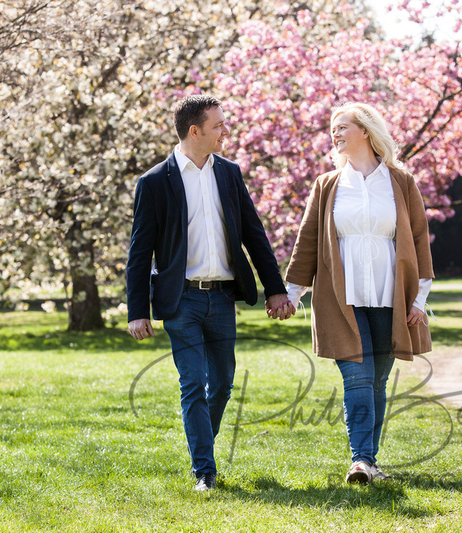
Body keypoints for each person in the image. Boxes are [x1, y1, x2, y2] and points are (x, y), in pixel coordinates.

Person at [126, 95, 295, 492]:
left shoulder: (230, 174)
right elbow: (139, 252)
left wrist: (275, 289)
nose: (226, 131)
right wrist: (138, 310)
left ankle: (202, 446)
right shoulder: (154, 182)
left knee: (221, 383)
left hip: (222, 297)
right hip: (180, 300)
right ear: (195, 131)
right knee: (192, 381)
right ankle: (205, 470)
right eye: (219, 125)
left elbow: (255, 234)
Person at [284, 102, 434, 484]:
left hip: (390, 298)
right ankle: (361, 460)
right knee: (357, 378)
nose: (335, 134)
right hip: (341, 300)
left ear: (365, 131)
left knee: (377, 381)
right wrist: (291, 293)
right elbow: (307, 244)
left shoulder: (401, 182)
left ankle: (370, 461)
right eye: (332, 129)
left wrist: (419, 300)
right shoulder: (328, 184)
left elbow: (419, 240)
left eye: (342, 126)